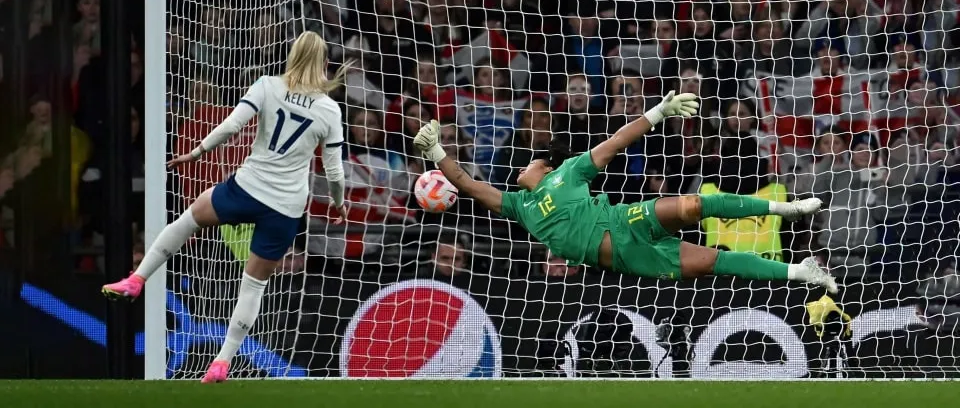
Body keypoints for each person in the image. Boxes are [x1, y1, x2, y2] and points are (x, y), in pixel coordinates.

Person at [101, 31, 350, 383]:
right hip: (285, 206)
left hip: (247, 188)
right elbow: (335, 170)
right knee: (253, 286)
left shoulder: (268, 85)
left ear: (291, 57)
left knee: (188, 220)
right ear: (325, 65)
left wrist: (196, 152)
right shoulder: (329, 109)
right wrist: (339, 204)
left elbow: (232, 126)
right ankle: (221, 362)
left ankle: (137, 279)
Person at [412, 91, 837, 292]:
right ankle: (801, 271)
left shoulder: (570, 173)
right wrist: (436, 151)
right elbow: (466, 184)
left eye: (530, 161)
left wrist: (657, 112)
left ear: (547, 166)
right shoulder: (518, 206)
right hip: (625, 254)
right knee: (714, 261)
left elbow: (616, 142)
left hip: (622, 219)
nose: (522, 166)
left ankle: (788, 207)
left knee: (695, 203)